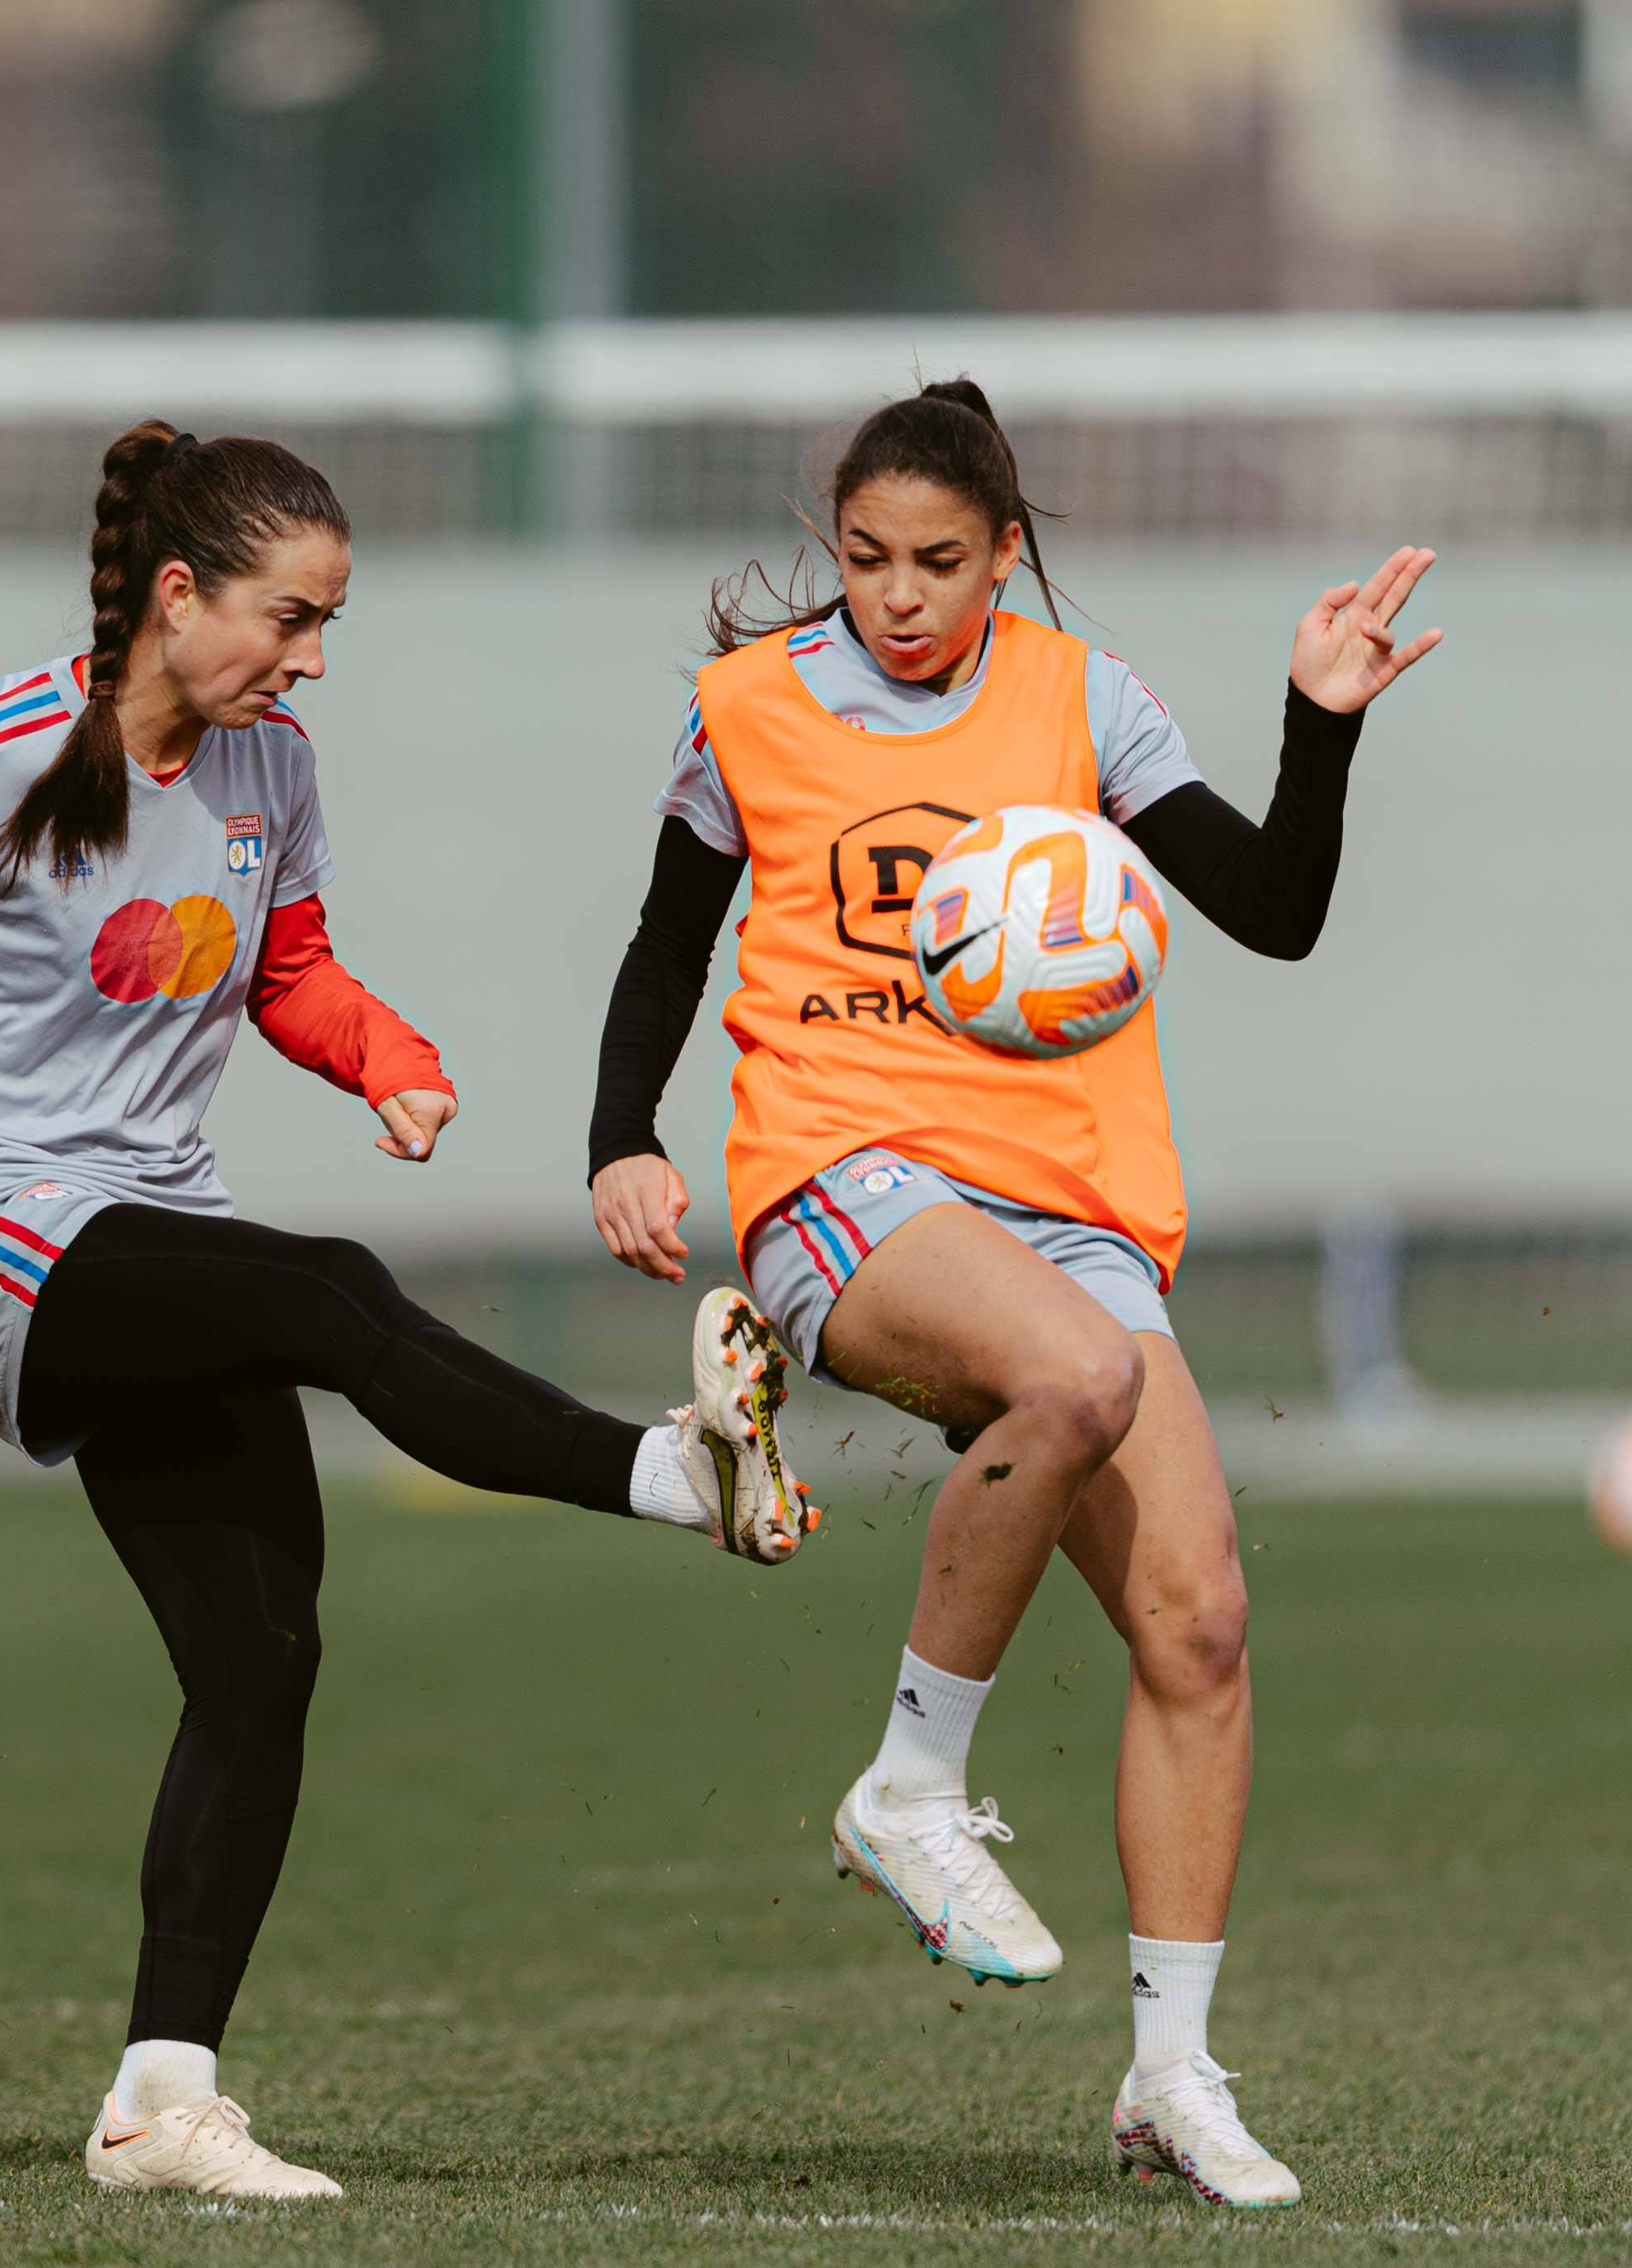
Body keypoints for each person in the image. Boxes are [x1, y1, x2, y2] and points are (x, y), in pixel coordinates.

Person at [0, 421, 818, 2203]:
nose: (312, 654)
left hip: (142, 1243)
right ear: (175, 598)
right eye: (290, 615)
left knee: (261, 1662)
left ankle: (159, 2100)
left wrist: (384, 1057)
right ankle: (666, 1475)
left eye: (328, 621)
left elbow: (291, 969)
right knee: (326, 1290)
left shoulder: (271, 767)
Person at [585, 379, 1439, 2208]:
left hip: (1065, 1204)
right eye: (867, 557)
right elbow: (669, 932)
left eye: (941, 563)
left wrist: (1319, 721)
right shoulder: (746, 711)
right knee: (1075, 1376)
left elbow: (1272, 908)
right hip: (841, 1179)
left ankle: (1168, 2077)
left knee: (1198, 1623)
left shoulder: (1078, 698)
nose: (898, 597)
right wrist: (620, 1137)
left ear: (1005, 551)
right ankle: (908, 1782)